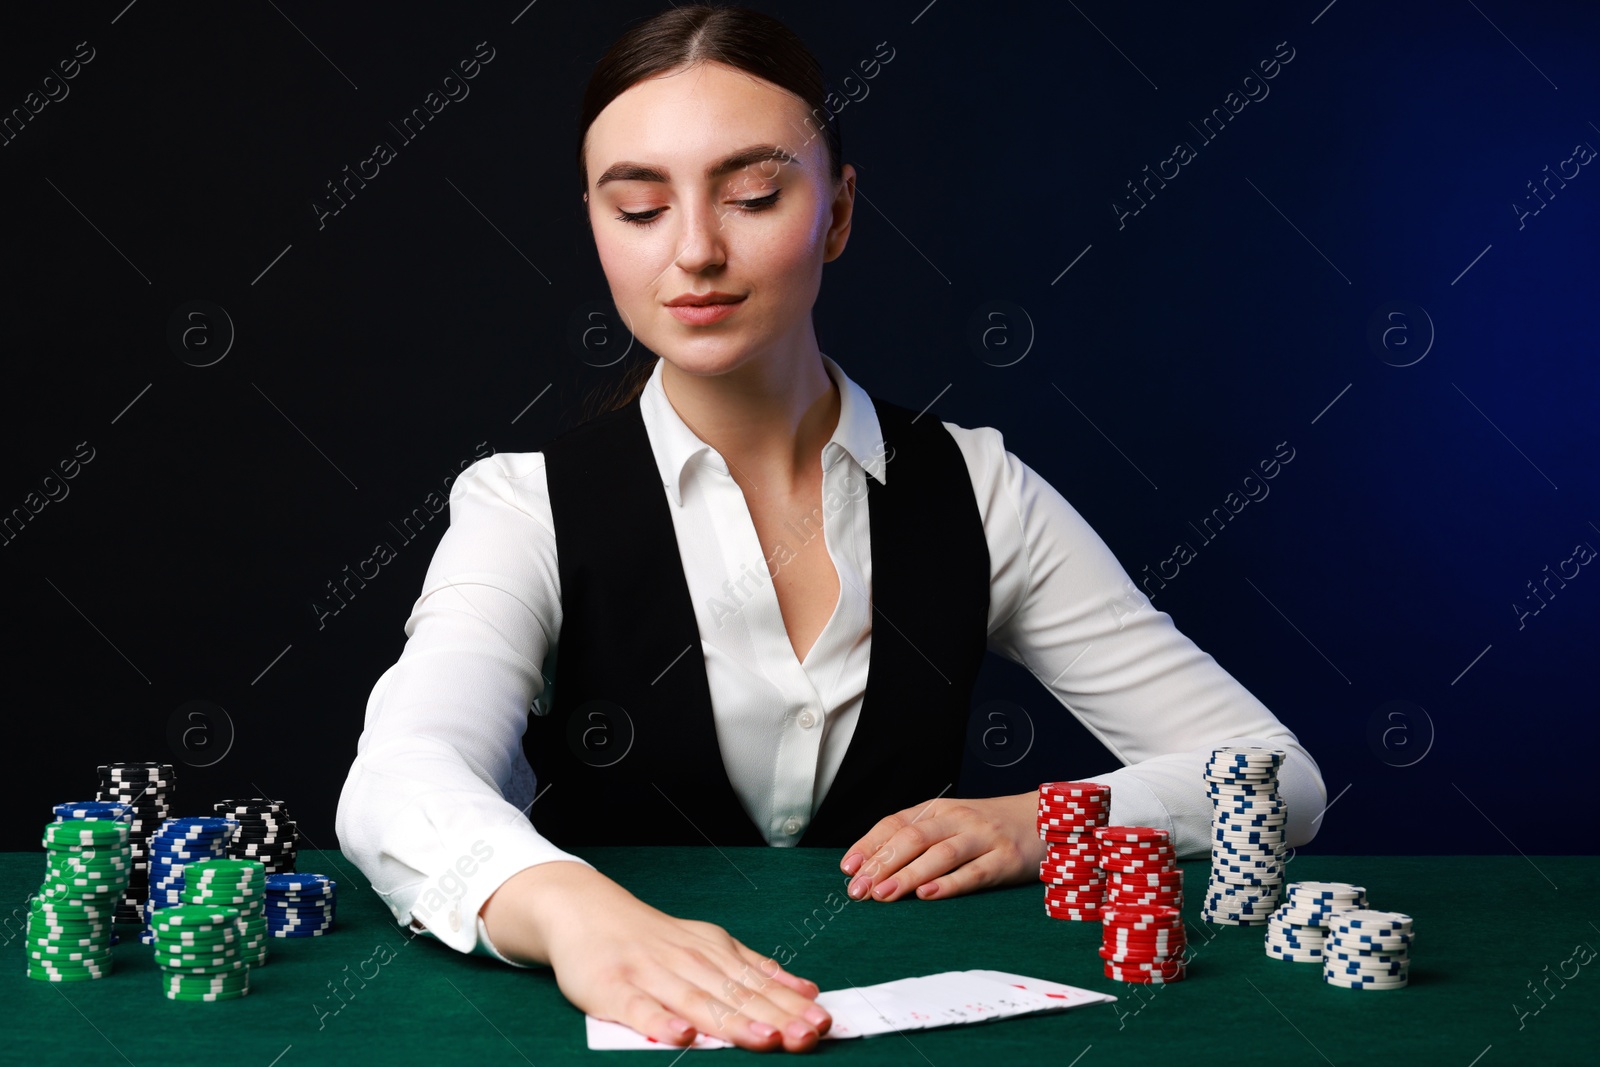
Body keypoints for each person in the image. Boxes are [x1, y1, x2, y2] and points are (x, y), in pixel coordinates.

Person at [336, 2, 1326, 1054]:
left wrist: (1039, 820)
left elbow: (1277, 775)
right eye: (638, 209)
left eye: (753, 194)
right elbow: (398, 777)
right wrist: (576, 912)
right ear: (594, 227)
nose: (697, 251)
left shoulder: (977, 486)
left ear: (839, 213)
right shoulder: (522, 504)